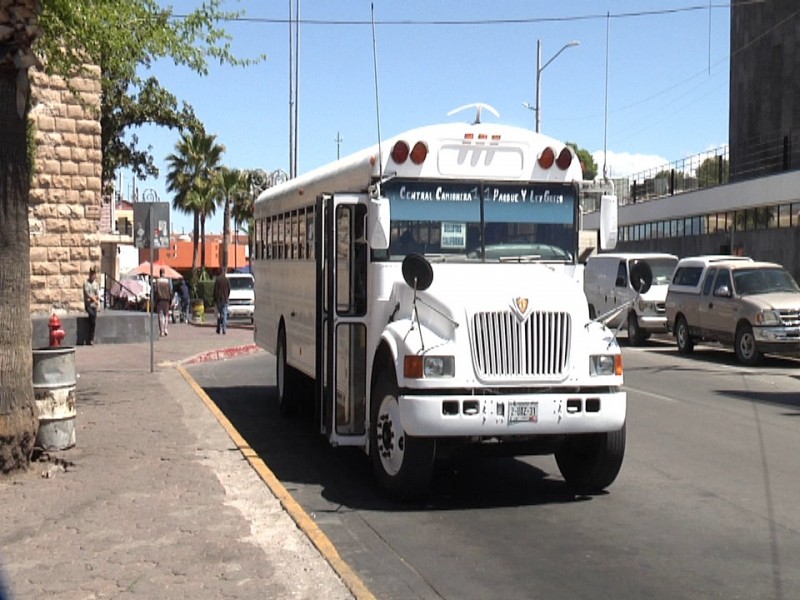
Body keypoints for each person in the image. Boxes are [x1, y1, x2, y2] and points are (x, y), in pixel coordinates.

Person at [83, 266, 101, 345]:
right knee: (92, 315)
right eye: (92, 274)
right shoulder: (86, 284)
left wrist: (94, 299)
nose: (93, 275)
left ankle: (91, 339)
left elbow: (98, 295)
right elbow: (87, 294)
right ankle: (88, 338)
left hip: (94, 305)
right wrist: (93, 299)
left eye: (94, 274)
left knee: (93, 322)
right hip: (88, 305)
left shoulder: (96, 284)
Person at [153, 268, 172, 336]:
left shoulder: (157, 281)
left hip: (160, 300)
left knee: (161, 316)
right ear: (164, 273)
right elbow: (170, 291)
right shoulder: (168, 281)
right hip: (167, 300)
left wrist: (154, 301)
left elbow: (155, 291)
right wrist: (171, 300)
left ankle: (162, 331)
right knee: (166, 315)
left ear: (159, 273)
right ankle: (166, 328)